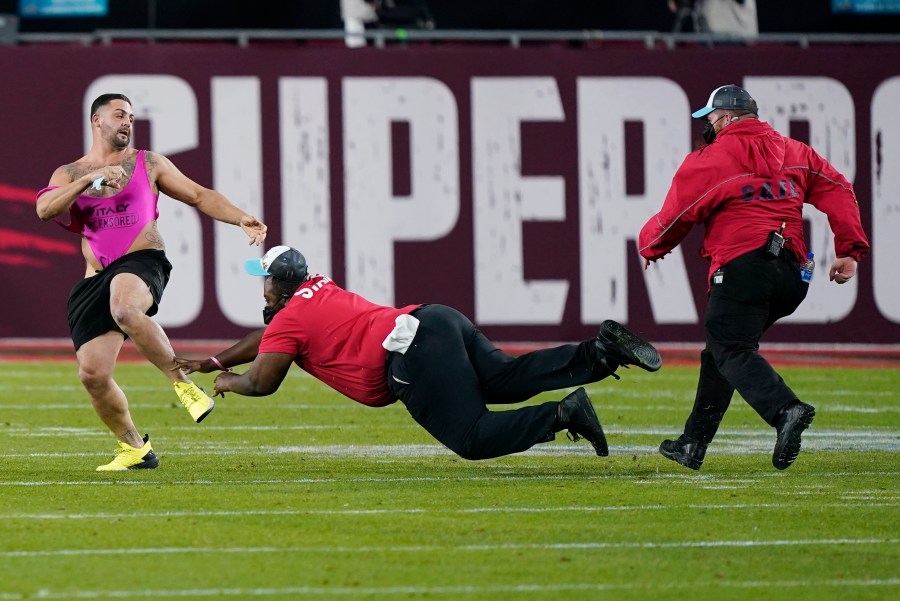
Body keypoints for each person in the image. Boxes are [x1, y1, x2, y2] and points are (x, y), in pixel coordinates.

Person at [175, 245, 663, 461]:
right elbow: (271, 338)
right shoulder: (313, 290)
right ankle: (599, 354)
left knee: (471, 437)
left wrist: (227, 383)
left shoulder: (287, 318)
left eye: (262, 280)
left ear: (275, 286)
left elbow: (264, 379)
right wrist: (217, 360)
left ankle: (563, 414)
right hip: (436, 318)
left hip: (408, 355)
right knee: (503, 377)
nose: (259, 288)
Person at [638, 84, 870, 471]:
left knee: (730, 348)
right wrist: (849, 249)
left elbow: (677, 215)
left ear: (727, 118)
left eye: (710, 118)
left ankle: (785, 410)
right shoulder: (795, 152)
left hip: (744, 268)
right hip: (792, 276)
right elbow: (839, 188)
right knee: (723, 349)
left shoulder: (712, 158)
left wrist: (650, 247)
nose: (707, 125)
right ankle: (692, 444)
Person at [35, 93, 267, 471]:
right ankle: (135, 449)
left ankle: (183, 385)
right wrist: (89, 180)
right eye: (119, 115)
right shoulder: (70, 173)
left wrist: (241, 217)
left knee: (125, 307)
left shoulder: (148, 163)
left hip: (142, 262)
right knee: (92, 375)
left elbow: (198, 195)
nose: (127, 122)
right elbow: (45, 209)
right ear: (97, 121)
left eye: (131, 116)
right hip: (95, 279)